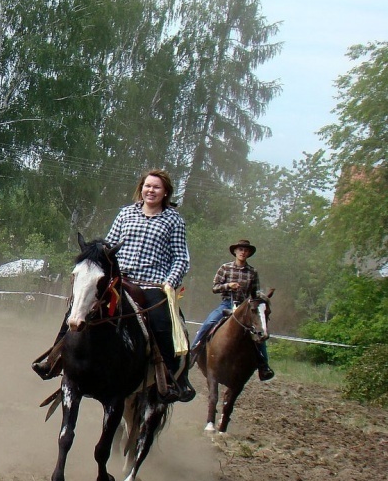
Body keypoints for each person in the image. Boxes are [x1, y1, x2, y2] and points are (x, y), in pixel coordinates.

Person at [32, 169, 195, 403]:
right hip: (120, 280)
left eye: (156, 187)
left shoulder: (174, 220)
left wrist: (170, 281)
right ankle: (54, 358)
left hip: (152, 283)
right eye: (147, 186)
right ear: (141, 187)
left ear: (165, 191)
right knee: (78, 309)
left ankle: (170, 376)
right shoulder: (126, 213)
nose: (151, 190)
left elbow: (181, 257)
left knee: (161, 321)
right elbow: (108, 247)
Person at [190, 239, 274, 381]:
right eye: (240, 249)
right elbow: (215, 287)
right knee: (209, 322)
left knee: (259, 332)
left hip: (245, 308)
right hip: (227, 304)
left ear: (249, 253)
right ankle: (193, 352)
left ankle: (264, 365)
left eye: (246, 250)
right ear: (235, 251)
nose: (243, 252)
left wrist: (263, 296)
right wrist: (228, 286)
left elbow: (255, 293)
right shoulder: (225, 268)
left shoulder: (253, 272)